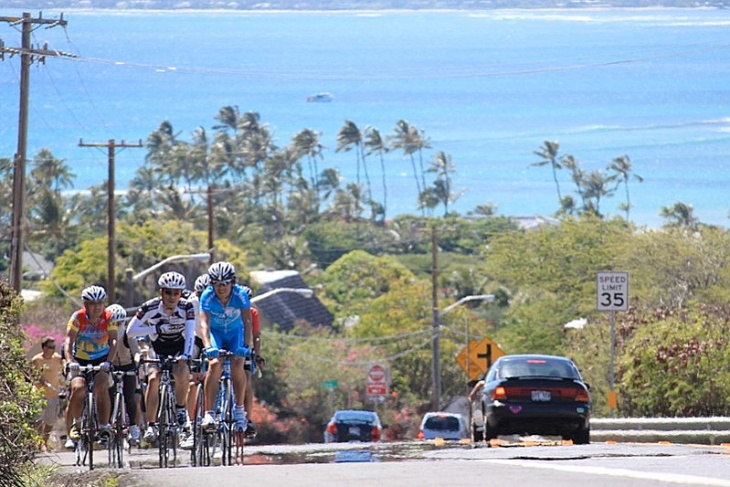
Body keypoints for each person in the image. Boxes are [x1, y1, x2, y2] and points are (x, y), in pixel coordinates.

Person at [126, 271, 195, 447]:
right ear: (161, 292)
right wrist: (156, 328)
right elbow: (130, 331)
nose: (172, 297)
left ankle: (181, 410)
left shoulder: (187, 307)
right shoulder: (149, 307)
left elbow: (189, 334)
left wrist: (186, 356)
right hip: (157, 347)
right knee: (153, 378)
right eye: (168, 292)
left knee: (181, 372)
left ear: (181, 294)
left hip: (179, 346)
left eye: (176, 293)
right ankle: (151, 425)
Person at [199, 261, 253, 434]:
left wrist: (246, 345)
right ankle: (209, 413)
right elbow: (204, 324)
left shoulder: (241, 294)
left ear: (232, 283)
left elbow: (247, 321)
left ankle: (238, 410)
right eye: (216, 284)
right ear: (211, 284)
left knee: (238, 364)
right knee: (214, 364)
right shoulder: (207, 296)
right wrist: (207, 346)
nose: (221, 288)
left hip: (235, 332)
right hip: (216, 332)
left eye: (225, 284)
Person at [63, 285, 118, 450]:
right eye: (93, 303)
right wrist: (70, 360)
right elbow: (68, 341)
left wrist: (109, 361)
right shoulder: (77, 317)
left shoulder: (109, 317)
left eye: (100, 303)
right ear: (85, 304)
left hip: (101, 358)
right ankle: (77, 423)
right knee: (78, 388)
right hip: (80, 359)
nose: (97, 307)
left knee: (102, 384)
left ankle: (103, 426)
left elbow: (114, 341)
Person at [106, 304, 143, 447]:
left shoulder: (128, 334)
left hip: (128, 367)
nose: (117, 326)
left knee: (129, 397)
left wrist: (138, 362)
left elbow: (136, 351)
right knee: (108, 395)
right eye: (114, 323)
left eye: (120, 323)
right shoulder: (105, 334)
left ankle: (133, 426)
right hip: (112, 366)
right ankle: (107, 425)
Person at [31, 336, 64, 451]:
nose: (53, 349)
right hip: (39, 394)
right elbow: (35, 375)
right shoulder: (37, 360)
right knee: (38, 420)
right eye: (50, 347)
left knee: (50, 421)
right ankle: (40, 444)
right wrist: (44, 383)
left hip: (53, 394)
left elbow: (63, 369)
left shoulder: (57, 358)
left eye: (54, 347)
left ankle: (44, 442)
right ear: (44, 348)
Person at [240, 285, 264, 439]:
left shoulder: (252, 313)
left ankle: (248, 419)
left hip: (245, 349)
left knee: (247, 379)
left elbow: (256, 335)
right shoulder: (229, 311)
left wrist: (257, 353)